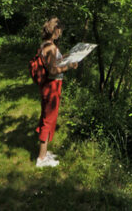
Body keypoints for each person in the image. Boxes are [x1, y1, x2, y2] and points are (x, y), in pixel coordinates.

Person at [35, 17, 78, 168]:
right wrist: (69, 66)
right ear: (55, 30)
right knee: (49, 120)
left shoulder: (47, 45)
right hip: (52, 86)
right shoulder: (51, 48)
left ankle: (44, 152)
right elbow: (53, 70)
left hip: (49, 86)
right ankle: (41, 159)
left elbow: (52, 63)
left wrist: (65, 57)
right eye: (59, 30)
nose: (61, 33)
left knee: (47, 117)